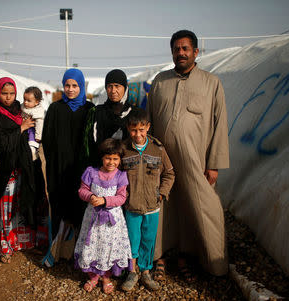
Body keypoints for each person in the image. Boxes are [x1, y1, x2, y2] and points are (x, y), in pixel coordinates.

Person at [147, 29, 230, 281]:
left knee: (205, 208)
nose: (180, 53)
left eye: (185, 49)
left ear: (195, 52)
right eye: (176, 49)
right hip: (162, 161)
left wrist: (214, 163)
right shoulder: (160, 81)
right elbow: (148, 121)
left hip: (196, 161)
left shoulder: (211, 82)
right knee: (162, 207)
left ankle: (211, 262)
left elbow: (219, 124)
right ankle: (158, 257)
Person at [0, 77, 45, 263]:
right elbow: (1, 142)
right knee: (5, 208)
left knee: (22, 205)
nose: (8, 97)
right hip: (5, 169)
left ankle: (22, 242)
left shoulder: (21, 110)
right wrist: (20, 128)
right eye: (4, 93)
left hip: (22, 166)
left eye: (12, 93)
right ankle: (4, 244)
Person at [42, 68, 94, 266]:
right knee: (59, 206)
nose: (71, 90)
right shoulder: (55, 109)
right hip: (60, 169)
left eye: (75, 86)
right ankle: (57, 250)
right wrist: (56, 162)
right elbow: (47, 139)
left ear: (81, 86)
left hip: (82, 170)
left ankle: (79, 253)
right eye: (67, 85)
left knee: (81, 208)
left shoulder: (90, 109)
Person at [120, 108, 175, 291]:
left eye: (141, 130)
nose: (138, 134)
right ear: (128, 128)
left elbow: (169, 173)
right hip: (131, 206)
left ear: (148, 127)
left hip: (152, 206)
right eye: (134, 130)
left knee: (148, 239)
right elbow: (116, 175)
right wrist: (123, 196)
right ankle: (131, 272)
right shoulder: (124, 150)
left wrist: (161, 193)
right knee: (132, 239)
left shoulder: (157, 149)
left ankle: (145, 271)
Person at [74, 138, 132, 294]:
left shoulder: (121, 176)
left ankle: (106, 277)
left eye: (115, 159)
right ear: (101, 157)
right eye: (108, 158)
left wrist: (105, 200)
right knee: (92, 245)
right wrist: (91, 196)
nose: (111, 162)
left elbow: (121, 198)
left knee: (108, 246)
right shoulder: (91, 172)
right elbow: (82, 190)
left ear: (120, 160)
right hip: (92, 219)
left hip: (112, 222)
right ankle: (93, 276)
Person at [83, 69, 134, 167]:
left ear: (125, 88)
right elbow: (89, 146)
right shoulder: (97, 112)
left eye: (117, 86)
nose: (113, 90)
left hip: (127, 172)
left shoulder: (134, 113)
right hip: (100, 171)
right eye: (110, 86)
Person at [22, 86, 45, 161]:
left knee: (31, 145)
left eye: (28, 101)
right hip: (23, 129)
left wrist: (38, 136)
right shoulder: (22, 107)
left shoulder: (38, 111)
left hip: (32, 130)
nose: (25, 102)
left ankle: (33, 156)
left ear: (36, 102)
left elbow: (39, 124)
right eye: (24, 99)